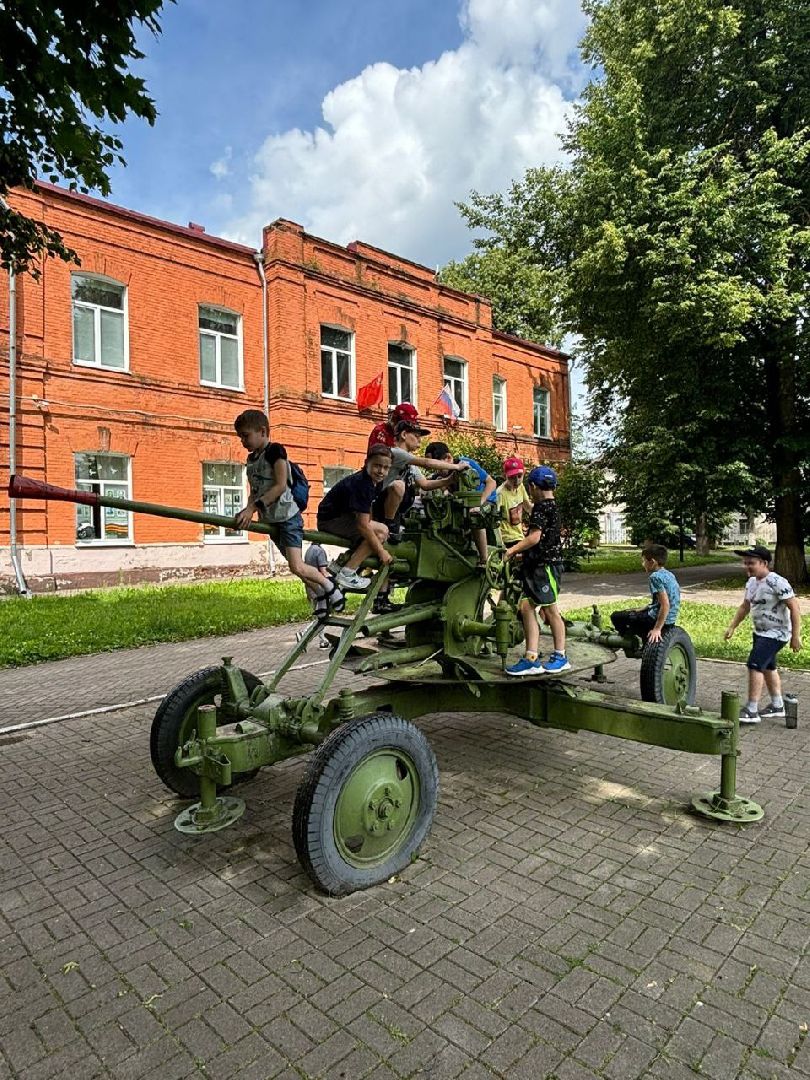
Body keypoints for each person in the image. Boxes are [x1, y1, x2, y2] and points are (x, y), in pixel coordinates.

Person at [234, 410, 343, 611]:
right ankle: (320, 596)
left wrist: (253, 509)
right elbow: (254, 491)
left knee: (297, 566)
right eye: (240, 436)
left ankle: (330, 587)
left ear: (262, 431)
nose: (243, 441)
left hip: (287, 516)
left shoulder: (275, 451)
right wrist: (247, 510)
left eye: (246, 435)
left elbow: (281, 486)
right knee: (297, 568)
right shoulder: (252, 460)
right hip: (271, 519)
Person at [502, 465, 570, 675]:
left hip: (545, 567)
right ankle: (531, 657)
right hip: (540, 564)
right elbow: (547, 540)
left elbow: (534, 537)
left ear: (532, 486)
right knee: (526, 606)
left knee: (550, 611)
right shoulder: (553, 506)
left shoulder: (541, 507)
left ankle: (561, 656)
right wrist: (526, 555)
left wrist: (511, 551)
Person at [723, 545, 803, 723]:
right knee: (768, 667)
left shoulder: (777, 582)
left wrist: (796, 636)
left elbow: (795, 608)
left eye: (751, 563)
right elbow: (745, 606)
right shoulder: (751, 582)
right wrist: (732, 626)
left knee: (755, 664)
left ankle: (751, 710)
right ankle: (777, 705)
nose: (747, 567)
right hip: (760, 632)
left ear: (764, 563)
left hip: (777, 633)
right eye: (745, 563)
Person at [317, 444, 394, 591]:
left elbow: (366, 511)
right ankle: (348, 573)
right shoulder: (362, 484)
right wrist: (381, 552)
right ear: (366, 463)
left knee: (383, 529)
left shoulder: (374, 481)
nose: (381, 471)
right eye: (377, 466)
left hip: (345, 517)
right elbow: (362, 526)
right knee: (378, 534)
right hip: (331, 520)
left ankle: (340, 565)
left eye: (386, 468)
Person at [375, 420, 468, 537]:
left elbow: (425, 484)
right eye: (416, 436)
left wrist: (448, 480)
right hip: (377, 503)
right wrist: (456, 466)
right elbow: (426, 462)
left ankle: (393, 523)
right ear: (404, 435)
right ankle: (389, 524)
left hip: (394, 509)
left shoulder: (410, 462)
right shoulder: (395, 452)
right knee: (398, 485)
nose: (420, 440)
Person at [424, 441, 497, 565]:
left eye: (438, 466)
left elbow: (491, 483)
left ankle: (484, 559)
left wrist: (479, 503)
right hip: (462, 502)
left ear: (448, 458)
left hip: (485, 500)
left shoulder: (467, 464)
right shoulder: (441, 476)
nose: (437, 470)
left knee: (474, 515)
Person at [610, 544, 680, 644]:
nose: (643, 564)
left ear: (652, 562)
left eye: (644, 561)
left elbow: (665, 605)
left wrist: (657, 629)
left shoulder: (655, 577)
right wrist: (645, 608)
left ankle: (629, 640)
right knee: (633, 611)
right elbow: (664, 601)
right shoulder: (669, 574)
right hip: (670, 619)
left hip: (656, 620)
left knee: (616, 616)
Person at [295, 543, 331, 648]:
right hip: (320, 587)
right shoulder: (319, 551)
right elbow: (323, 571)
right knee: (322, 616)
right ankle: (304, 634)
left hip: (310, 586)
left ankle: (323, 641)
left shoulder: (309, 551)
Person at [496, 456, 531, 548]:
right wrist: (500, 544)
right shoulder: (500, 494)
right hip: (506, 539)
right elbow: (495, 521)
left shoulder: (521, 487)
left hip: (519, 536)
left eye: (519, 476)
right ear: (505, 476)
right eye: (512, 478)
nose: (516, 481)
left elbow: (528, 507)